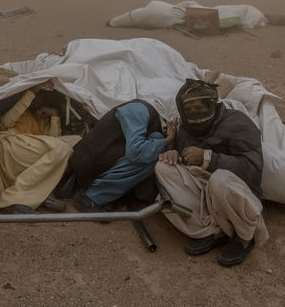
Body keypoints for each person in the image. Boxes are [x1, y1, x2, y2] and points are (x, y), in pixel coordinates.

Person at [155, 79, 268, 267]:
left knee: (219, 179)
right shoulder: (186, 129)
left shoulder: (237, 123)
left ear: (212, 104)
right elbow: (184, 160)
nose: (195, 112)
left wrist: (208, 158)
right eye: (189, 109)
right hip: (204, 188)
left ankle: (244, 238)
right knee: (162, 168)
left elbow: (254, 171)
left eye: (200, 106)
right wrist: (173, 153)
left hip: (235, 190)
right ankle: (211, 231)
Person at [59, 99, 176, 212]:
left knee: (156, 144)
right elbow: (136, 151)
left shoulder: (149, 117)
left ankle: (112, 196)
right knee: (154, 152)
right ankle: (91, 197)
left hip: (96, 164)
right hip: (86, 167)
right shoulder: (137, 110)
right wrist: (168, 140)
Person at [0, 81, 81, 213]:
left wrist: (55, 116)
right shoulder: (19, 110)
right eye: (38, 96)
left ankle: (38, 192)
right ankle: (12, 198)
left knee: (73, 142)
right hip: (9, 147)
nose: (39, 100)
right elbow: (4, 123)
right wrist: (32, 92)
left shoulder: (42, 119)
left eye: (43, 98)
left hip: (26, 155)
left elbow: (54, 143)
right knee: (61, 149)